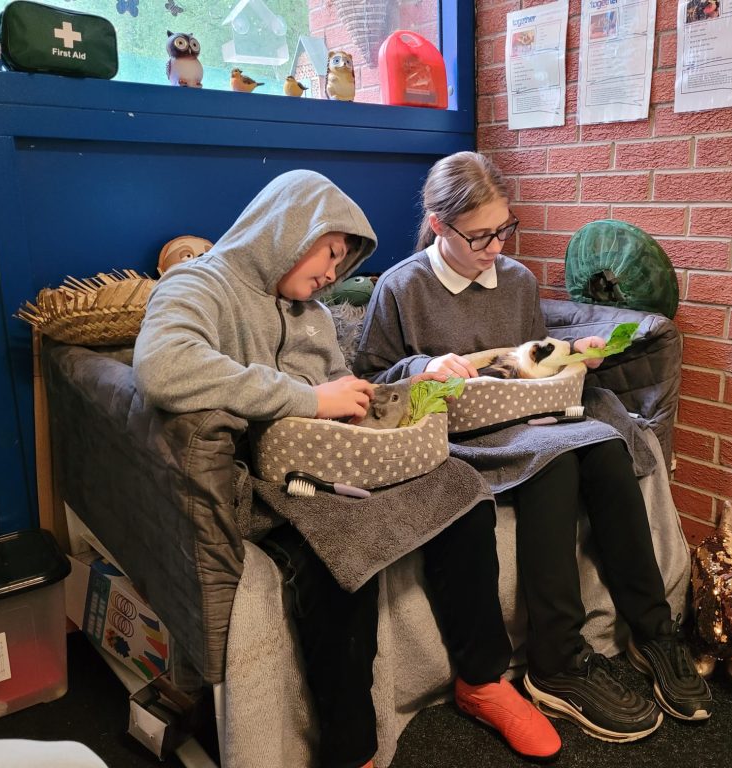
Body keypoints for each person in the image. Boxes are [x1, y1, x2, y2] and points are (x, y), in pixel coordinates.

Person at [133, 170, 560, 768]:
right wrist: (309, 400)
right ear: (287, 230)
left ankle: (484, 681)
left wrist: (406, 393)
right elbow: (163, 367)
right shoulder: (200, 287)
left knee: (461, 491)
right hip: (277, 479)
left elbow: (348, 391)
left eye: (342, 260)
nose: (335, 273)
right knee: (336, 552)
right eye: (331, 252)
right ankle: (352, 750)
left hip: (338, 456)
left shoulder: (311, 311)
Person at [354, 151, 714, 744]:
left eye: (504, 229)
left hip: (524, 414)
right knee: (555, 462)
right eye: (479, 236)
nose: (496, 247)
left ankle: (654, 633)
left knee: (606, 446)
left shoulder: (516, 280)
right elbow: (372, 380)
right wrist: (422, 365)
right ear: (439, 226)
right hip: (463, 433)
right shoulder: (401, 287)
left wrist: (575, 354)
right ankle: (559, 661)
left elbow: (529, 361)